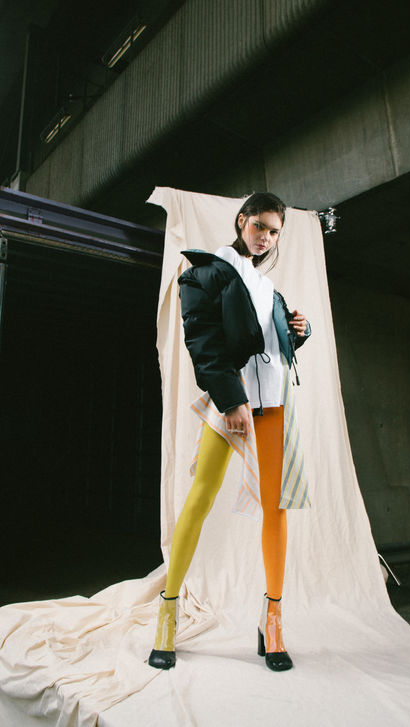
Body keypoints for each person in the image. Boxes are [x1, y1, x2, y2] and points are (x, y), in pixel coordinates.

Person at [149, 192, 311, 672]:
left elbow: (270, 345)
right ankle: (167, 613)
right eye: (260, 226)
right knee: (200, 497)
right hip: (232, 402)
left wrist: (296, 331)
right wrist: (231, 400)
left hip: (274, 402)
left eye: (274, 231)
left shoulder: (269, 288)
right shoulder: (204, 273)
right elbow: (203, 341)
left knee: (275, 506)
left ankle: (272, 620)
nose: (266, 237)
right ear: (242, 221)